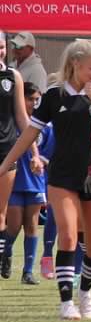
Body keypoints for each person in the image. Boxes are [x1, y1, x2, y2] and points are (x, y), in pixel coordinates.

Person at [0, 39, 91, 320]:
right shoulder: (54, 96)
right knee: (68, 235)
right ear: (75, 64)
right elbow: (29, 133)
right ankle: (65, 301)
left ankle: (85, 292)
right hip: (62, 175)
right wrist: (6, 163)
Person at [4, 82, 51, 285]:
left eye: (36, 99)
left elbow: (49, 155)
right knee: (13, 225)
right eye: (29, 98)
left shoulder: (46, 127)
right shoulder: (12, 124)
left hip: (35, 184)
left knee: (32, 226)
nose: (33, 102)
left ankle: (28, 272)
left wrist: (40, 159)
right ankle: (4, 255)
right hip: (14, 182)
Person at [0, 32, 33, 277]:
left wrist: (32, 150)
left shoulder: (13, 76)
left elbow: (22, 116)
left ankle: (2, 256)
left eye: (1, 47)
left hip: (5, 151)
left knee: (1, 212)